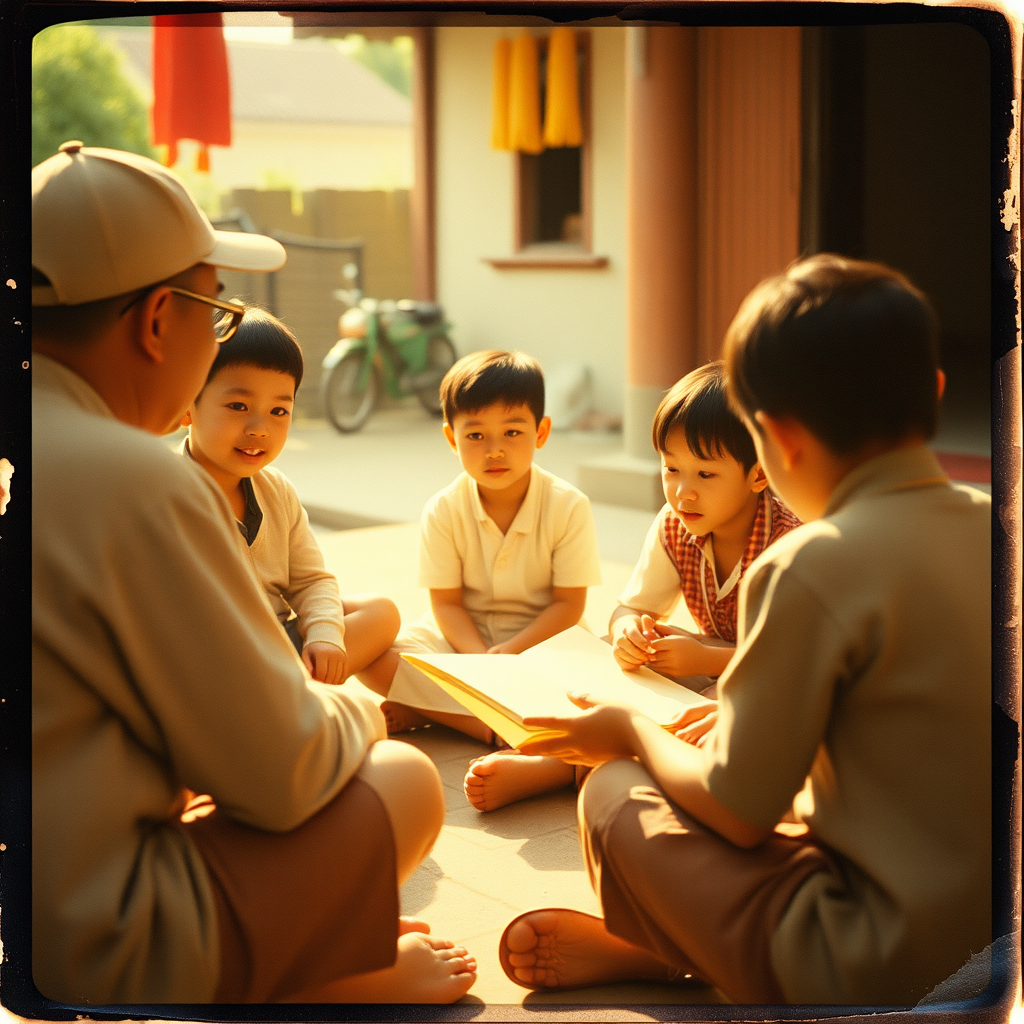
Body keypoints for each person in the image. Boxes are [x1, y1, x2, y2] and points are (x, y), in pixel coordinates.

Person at [31, 142, 476, 1004]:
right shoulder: (136, 476)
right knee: (403, 780)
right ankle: (330, 978)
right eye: (217, 311)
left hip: (37, 888)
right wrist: (349, 704)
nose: (217, 331)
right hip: (97, 931)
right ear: (159, 319)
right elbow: (281, 776)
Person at [496, 254, 991, 1005]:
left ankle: (670, 952)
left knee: (615, 791)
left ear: (773, 439)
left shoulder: (808, 564)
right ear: (934, 391)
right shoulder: (1001, 530)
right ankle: (676, 948)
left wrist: (630, 732)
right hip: (997, 934)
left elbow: (738, 810)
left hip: (872, 959)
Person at [359, 349, 602, 811]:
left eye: (513, 432)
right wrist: (481, 665)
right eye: (476, 435)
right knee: (375, 655)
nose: (495, 450)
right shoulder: (444, 508)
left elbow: (569, 605)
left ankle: (439, 712)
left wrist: (510, 654)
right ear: (451, 438)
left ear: (541, 432)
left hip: (544, 644)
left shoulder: (569, 505)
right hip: (464, 642)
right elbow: (446, 604)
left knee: (594, 684)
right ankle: (491, 728)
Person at [179, 304, 400, 685]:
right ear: (187, 405)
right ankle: (292, 699)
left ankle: (297, 693)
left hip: (282, 646)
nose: (259, 428)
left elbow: (311, 581)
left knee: (381, 612)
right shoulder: (167, 494)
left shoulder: (276, 490)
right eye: (238, 406)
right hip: (219, 662)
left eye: (279, 411)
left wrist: (325, 636)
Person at [609, 361, 799, 698]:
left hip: (778, 677)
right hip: (710, 659)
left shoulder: (790, 544)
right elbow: (633, 607)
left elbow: (791, 659)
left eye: (705, 474)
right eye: (671, 469)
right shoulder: (674, 524)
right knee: (608, 656)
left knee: (721, 704)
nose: (683, 492)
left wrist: (705, 659)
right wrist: (627, 631)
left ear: (758, 475)